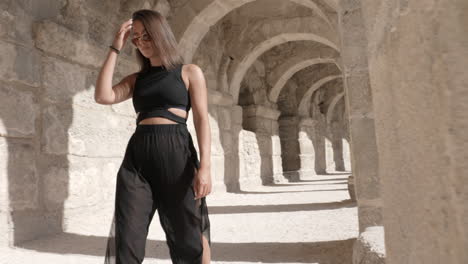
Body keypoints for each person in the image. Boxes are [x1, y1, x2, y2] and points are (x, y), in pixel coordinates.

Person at [94, 9, 212, 264]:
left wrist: (205, 168)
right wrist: (115, 48)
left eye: (145, 35)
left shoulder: (189, 72)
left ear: (160, 34)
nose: (141, 42)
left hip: (177, 156)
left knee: (187, 236)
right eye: (135, 38)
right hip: (137, 159)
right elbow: (103, 96)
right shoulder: (137, 79)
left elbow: (202, 119)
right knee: (128, 236)